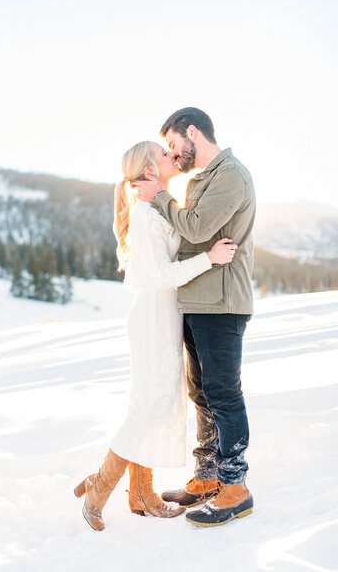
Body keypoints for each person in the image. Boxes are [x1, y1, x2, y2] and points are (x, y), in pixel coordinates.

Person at [74, 140, 237, 531]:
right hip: (151, 318)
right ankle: (99, 488)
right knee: (145, 408)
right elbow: (160, 275)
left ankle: (142, 495)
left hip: (165, 317)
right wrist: (209, 259)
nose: (172, 155)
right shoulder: (147, 216)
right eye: (163, 155)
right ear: (150, 170)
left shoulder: (156, 206)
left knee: (159, 403)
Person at [136, 107, 256, 528]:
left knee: (223, 395)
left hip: (221, 303)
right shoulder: (206, 178)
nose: (173, 152)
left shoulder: (231, 175)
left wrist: (160, 198)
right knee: (202, 395)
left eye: (173, 144)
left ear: (192, 132)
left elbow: (198, 228)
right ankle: (207, 478)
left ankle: (235, 486)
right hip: (197, 301)